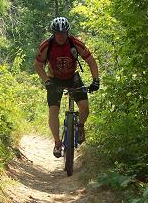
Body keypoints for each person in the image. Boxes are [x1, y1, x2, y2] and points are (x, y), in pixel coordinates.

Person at [34, 16, 100, 158]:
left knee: (84, 107)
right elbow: (38, 65)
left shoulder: (75, 43)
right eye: (58, 33)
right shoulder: (47, 45)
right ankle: (57, 143)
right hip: (54, 80)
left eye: (64, 33)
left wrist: (96, 80)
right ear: (53, 33)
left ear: (68, 32)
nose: (61, 36)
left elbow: (91, 61)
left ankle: (80, 126)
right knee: (53, 110)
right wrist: (46, 81)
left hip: (72, 78)